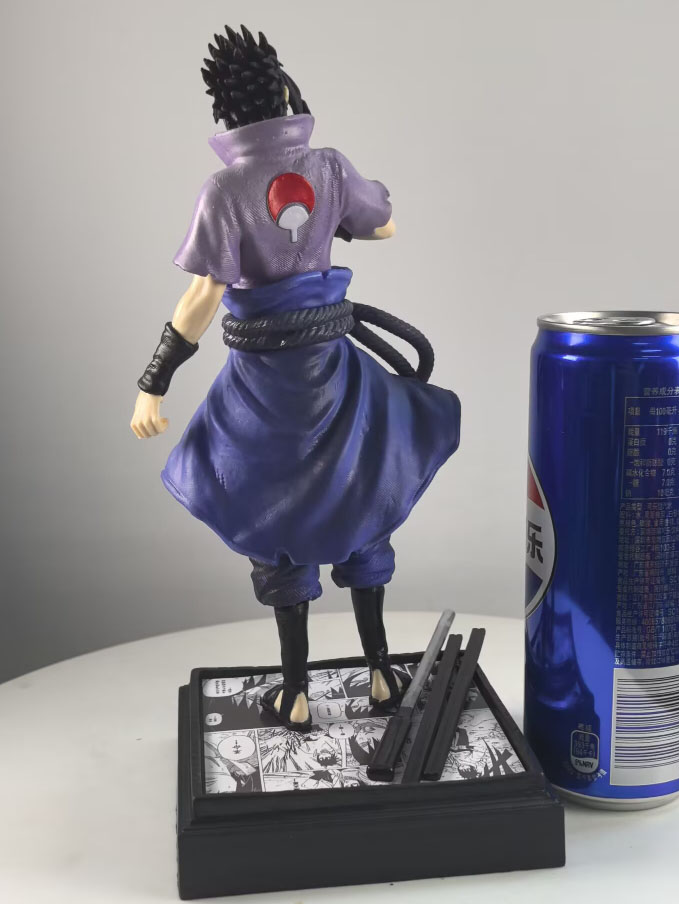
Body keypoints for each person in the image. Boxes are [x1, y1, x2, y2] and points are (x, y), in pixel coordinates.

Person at [131, 26, 460, 731]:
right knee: (366, 494)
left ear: (226, 110)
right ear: (284, 90)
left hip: (262, 391)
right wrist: (341, 210)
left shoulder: (223, 190)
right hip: (335, 377)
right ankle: (381, 673)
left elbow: (202, 297)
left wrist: (154, 381)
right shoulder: (330, 167)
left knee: (270, 516)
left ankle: (297, 689)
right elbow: (384, 228)